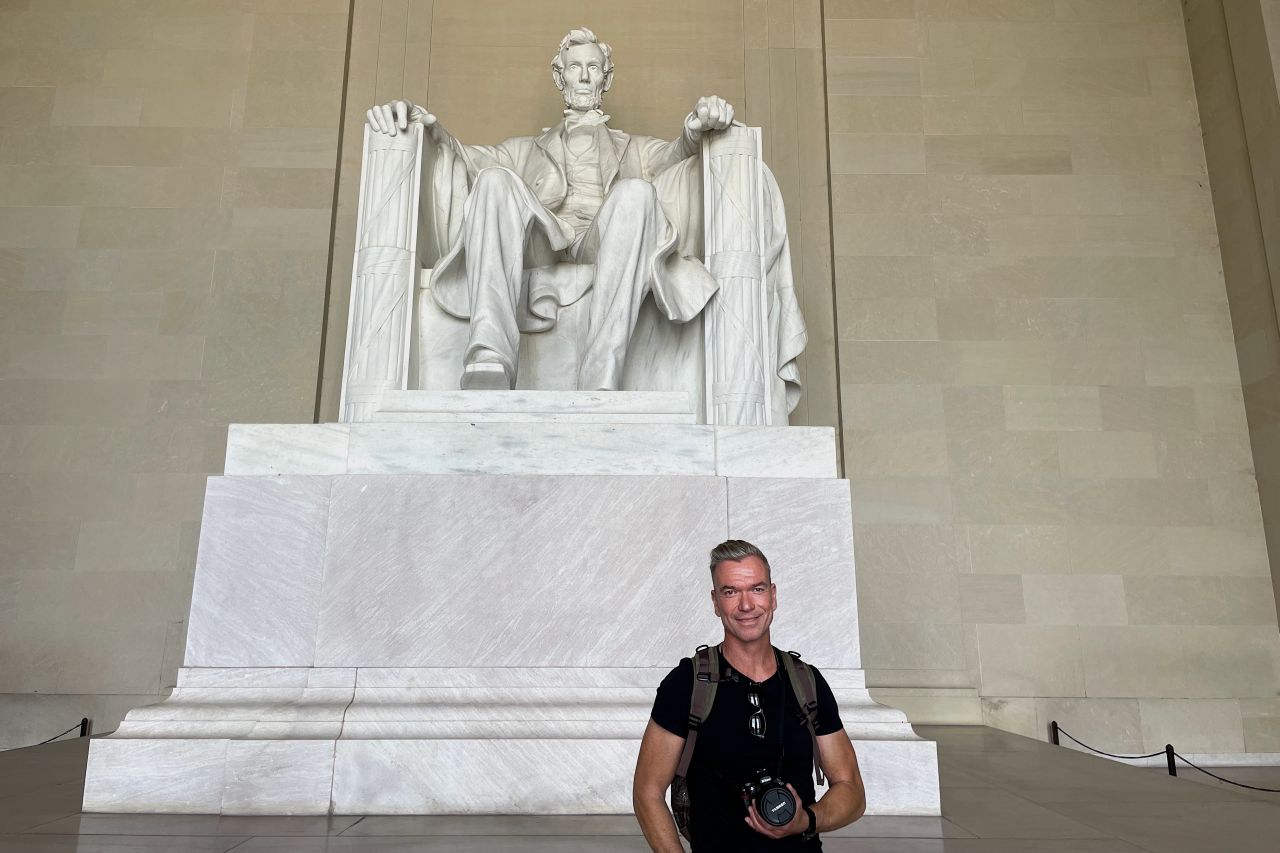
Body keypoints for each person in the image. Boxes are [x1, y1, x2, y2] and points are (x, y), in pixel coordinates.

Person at [365, 27, 740, 392]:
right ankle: (490, 353)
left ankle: (601, 371)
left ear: (605, 80)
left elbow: (677, 154)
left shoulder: (635, 149)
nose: (583, 76)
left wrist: (697, 125)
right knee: (494, 179)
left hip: (604, 239)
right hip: (545, 237)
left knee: (637, 193)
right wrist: (421, 124)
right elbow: (463, 156)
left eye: (593, 68)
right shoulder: (523, 150)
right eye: (574, 67)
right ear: (560, 77)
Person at [633, 540, 866, 851]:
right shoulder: (687, 684)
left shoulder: (806, 681)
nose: (746, 605)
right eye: (731, 592)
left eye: (757, 589)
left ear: (773, 595)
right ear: (715, 602)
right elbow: (647, 792)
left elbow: (852, 791)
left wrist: (807, 820)